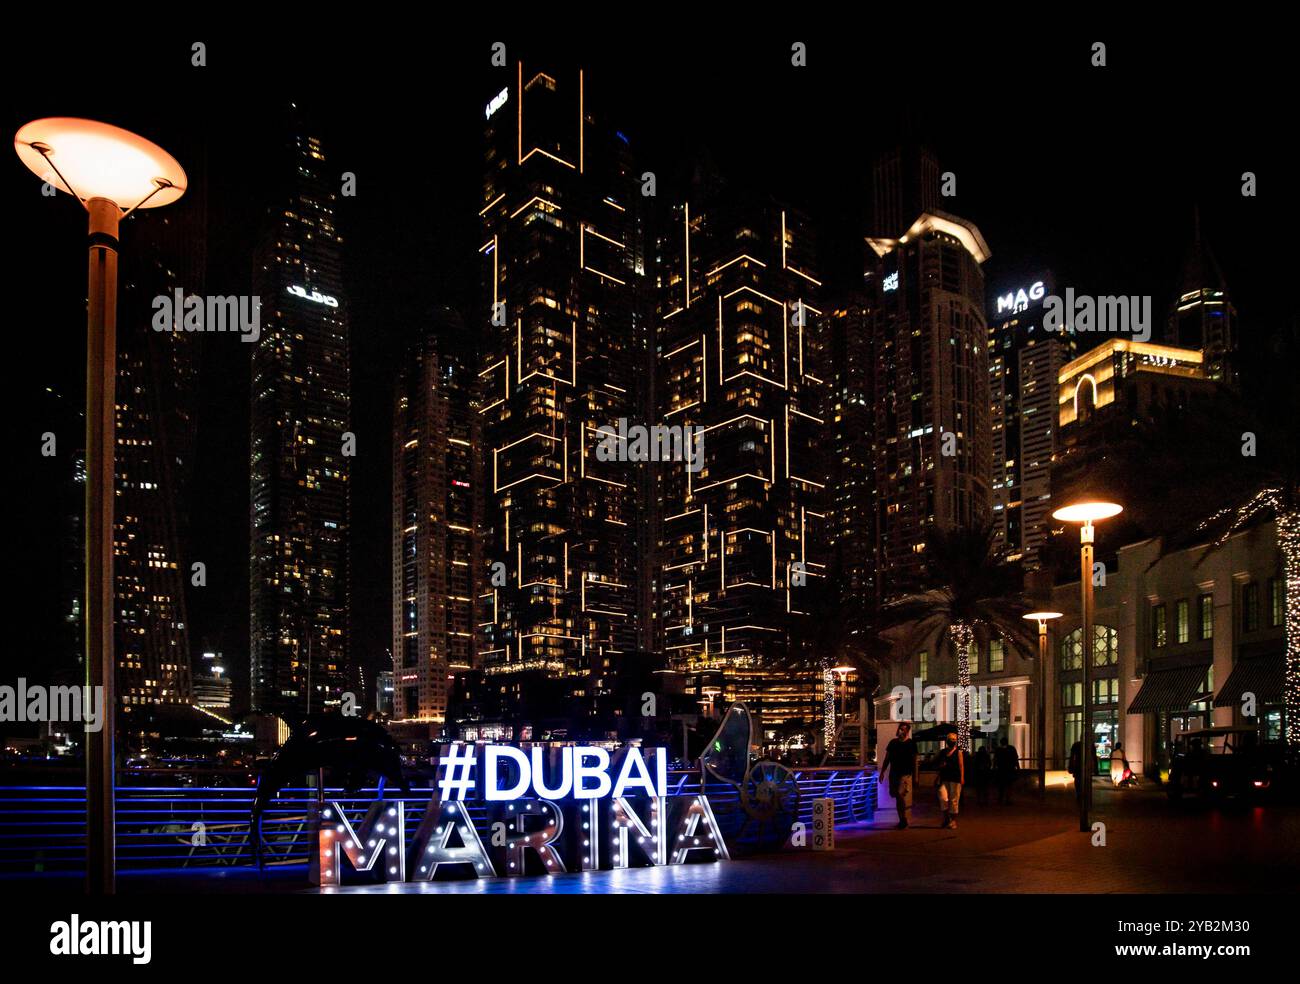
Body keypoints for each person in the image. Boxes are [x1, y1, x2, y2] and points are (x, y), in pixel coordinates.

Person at [879, 721, 919, 829]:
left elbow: (915, 761)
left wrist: (916, 776)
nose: (902, 730)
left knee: (899, 794)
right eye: (901, 728)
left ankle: (904, 819)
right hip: (894, 773)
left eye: (905, 729)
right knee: (896, 796)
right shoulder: (893, 742)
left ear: (908, 731)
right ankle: (901, 819)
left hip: (905, 773)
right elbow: (887, 758)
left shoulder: (911, 743)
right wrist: (882, 772)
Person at [935, 731, 965, 829]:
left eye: (954, 739)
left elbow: (961, 765)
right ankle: (946, 818)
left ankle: (952, 821)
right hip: (944, 778)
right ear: (947, 740)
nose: (952, 741)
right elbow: (937, 763)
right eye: (950, 739)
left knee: (954, 799)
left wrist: (962, 777)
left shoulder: (958, 752)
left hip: (955, 778)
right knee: (943, 797)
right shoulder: (943, 752)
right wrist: (940, 768)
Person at [995, 738, 1020, 804]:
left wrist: (995, 768)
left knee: (1001, 786)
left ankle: (1001, 799)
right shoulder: (1011, 749)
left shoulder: (998, 750)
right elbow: (1015, 759)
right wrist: (1018, 768)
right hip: (1009, 769)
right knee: (1009, 785)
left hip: (1001, 770)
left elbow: (995, 760)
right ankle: (1007, 799)